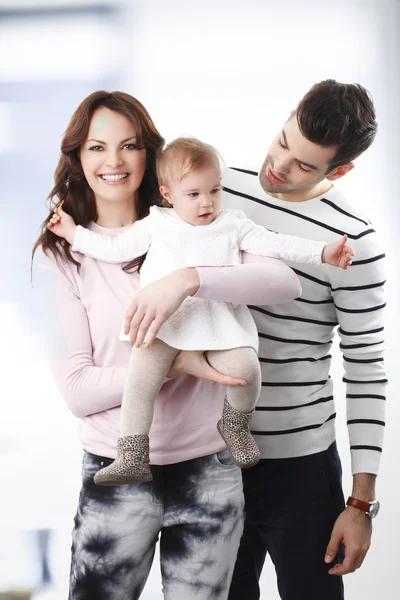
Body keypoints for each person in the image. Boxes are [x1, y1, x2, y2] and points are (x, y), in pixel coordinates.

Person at [32, 91, 302, 599]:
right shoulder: (63, 256)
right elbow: (77, 391)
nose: (113, 161)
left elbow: (285, 284)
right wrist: (181, 363)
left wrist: (188, 279)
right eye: (97, 147)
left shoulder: (196, 222)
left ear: (149, 156)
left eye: (129, 145)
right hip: (115, 474)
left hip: (210, 472)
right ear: (78, 157)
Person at [47, 136, 354, 486]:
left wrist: (324, 252)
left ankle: (234, 423)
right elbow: (113, 248)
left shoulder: (233, 224)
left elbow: (277, 244)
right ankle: (132, 454)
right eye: (193, 194)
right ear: (167, 194)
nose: (207, 202)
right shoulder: (155, 223)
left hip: (217, 324)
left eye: (214, 190)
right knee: (139, 381)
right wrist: (72, 233)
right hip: (164, 326)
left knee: (246, 369)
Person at [220, 80, 386, 600]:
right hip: (208, 456)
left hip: (301, 468)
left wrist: (360, 504)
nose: (280, 167)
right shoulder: (217, 189)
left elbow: (366, 373)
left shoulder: (355, 243)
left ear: (340, 171)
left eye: (304, 165)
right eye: (283, 141)